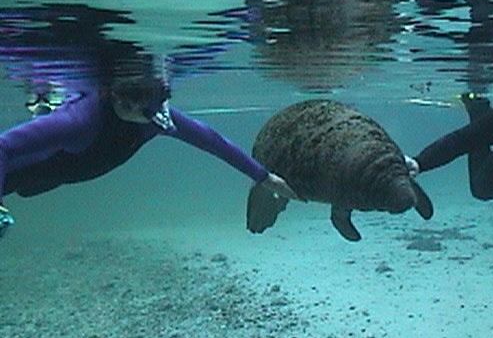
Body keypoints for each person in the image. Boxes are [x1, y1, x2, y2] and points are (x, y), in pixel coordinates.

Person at [0, 77, 297, 237]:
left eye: (162, 103)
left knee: (32, 187)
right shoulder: (79, 122)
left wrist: (264, 177)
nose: (158, 117)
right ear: (119, 100)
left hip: (54, 175)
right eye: (148, 110)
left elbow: (211, 141)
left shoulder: (155, 116)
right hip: (18, 170)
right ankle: (42, 105)